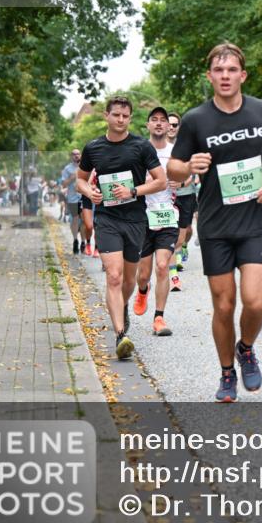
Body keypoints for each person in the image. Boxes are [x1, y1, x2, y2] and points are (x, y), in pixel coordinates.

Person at [167, 42, 262, 403]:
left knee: (254, 302)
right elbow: (172, 167)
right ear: (210, 76)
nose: (225, 76)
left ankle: (246, 348)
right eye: (218, 71)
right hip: (217, 224)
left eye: (232, 70)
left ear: (242, 75)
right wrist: (189, 167)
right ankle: (226, 372)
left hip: (257, 219)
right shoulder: (195, 120)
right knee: (224, 306)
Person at [76, 96, 167, 360]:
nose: (121, 120)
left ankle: (123, 305)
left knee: (129, 280)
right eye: (116, 115)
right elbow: (80, 180)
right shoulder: (93, 147)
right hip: (107, 219)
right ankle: (120, 335)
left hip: (135, 219)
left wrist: (133, 190)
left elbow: (160, 181)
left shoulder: (141, 146)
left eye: (126, 116)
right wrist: (89, 191)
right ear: (106, 116)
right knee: (113, 276)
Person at [132, 107, 178, 337]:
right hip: (143, 216)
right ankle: (142, 290)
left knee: (162, 266)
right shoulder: (139, 149)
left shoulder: (175, 151)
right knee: (143, 274)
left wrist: (181, 180)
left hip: (167, 215)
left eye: (163, 120)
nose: (159, 123)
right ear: (148, 125)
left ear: (169, 126)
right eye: (154, 120)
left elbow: (187, 174)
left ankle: (159, 317)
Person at [168, 111, 196, 290]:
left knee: (182, 235)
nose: (170, 127)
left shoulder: (186, 146)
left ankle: (181, 249)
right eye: (168, 124)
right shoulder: (155, 146)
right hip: (164, 199)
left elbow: (193, 173)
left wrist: (181, 182)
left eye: (174, 125)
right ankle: (173, 275)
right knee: (170, 237)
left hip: (185, 195)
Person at [60, 149, 83, 253]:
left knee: (84, 221)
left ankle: (84, 242)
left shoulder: (85, 166)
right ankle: (75, 240)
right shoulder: (67, 169)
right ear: (71, 156)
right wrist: (72, 177)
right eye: (74, 154)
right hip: (73, 198)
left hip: (84, 197)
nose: (76, 156)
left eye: (78, 154)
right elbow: (64, 184)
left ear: (81, 155)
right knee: (74, 219)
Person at [79, 168, 97, 257]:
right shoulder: (86, 169)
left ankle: (97, 248)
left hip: (100, 198)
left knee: (98, 225)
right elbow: (80, 186)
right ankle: (88, 243)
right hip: (87, 198)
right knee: (89, 226)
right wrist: (92, 172)